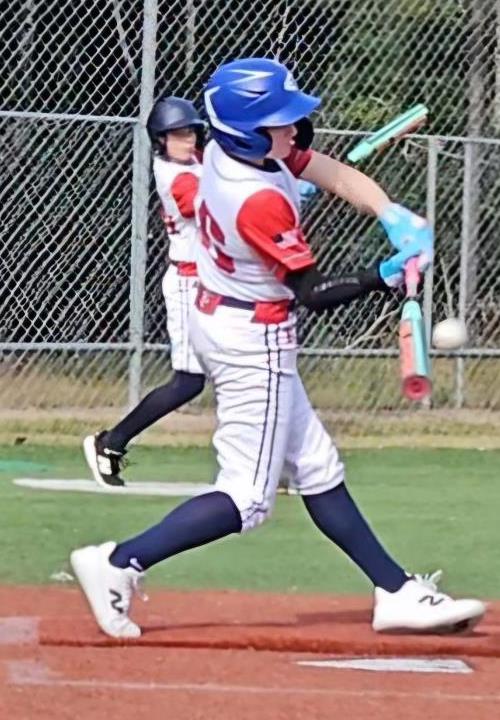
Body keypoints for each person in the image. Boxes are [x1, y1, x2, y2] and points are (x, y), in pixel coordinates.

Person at [70, 58, 485, 639]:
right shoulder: (256, 199)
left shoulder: (227, 152)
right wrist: (383, 276)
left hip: (227, 316)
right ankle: (118, 563)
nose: (292, 129)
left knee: (316, 466)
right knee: (247, 499)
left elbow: (326, 168)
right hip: (252, 341)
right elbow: (313, 293)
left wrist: (389, 212)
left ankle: (395, 591)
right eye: (279, 122)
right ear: (248, 133)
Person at [83, 97, 206, 487]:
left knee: (250, 370)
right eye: (177, 135)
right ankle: (111, 443)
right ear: (161, 140)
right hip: (190, 285)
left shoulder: (198, 161)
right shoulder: (176, 176)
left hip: (217, 283)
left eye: (190, 132)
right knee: (189, 382)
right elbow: (211, 207)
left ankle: (276, 460)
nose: (187, 140)